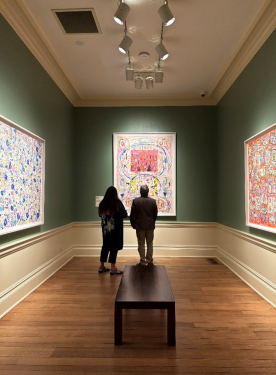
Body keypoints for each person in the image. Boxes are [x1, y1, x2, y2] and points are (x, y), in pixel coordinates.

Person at [98, 186, 127, 275]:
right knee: (114, 248)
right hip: (115, 230)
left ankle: (101, 266)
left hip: (106, 230)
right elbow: (124, 214)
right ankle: (113, 268)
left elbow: (100, 214)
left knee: (105, 247)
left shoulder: (102, 203)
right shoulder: (116, 203)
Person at [130, 185, 158, 265]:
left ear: (140, 192)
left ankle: (142, 260)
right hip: (150, 225)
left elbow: (132, 214)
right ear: (148, 192)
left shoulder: (136, 201)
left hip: (140, 225)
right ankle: (149, 259)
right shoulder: (153, 201)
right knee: (150, 243)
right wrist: (152, 222)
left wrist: (133, 223)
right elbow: (155, 215)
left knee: (141, 243)